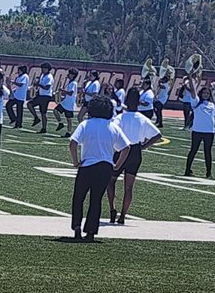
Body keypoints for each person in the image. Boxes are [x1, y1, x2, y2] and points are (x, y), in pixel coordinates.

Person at [68, 96, 131, 242]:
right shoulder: (113, 126)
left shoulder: (86, 124)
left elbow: (72, 143)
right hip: (105, 166)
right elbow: (126, 147)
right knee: (96, 200)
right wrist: (117, 165)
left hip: (87, 166)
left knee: (78, 198)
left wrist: (76, 162)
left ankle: (77, 228)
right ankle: (91, 232)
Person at [107, 87, 162, 224]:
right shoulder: (142, 118)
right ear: (138, 102)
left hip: (122, 150)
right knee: (128, 187)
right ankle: (123, 216)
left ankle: (112, 209)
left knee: (110, 181)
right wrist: (144, 146)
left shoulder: (120, 117)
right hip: (135, 151)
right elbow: (157, 135)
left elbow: (112, 130)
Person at [184, 83, 215, 177]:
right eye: (204, 93)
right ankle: (187, 170)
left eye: (207, 93)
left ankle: (209, 172)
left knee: (208, 152)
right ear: (201, 94)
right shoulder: (196, 103)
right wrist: (190, 77)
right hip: (197, 131)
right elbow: (192, 91)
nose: (206, 95)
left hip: (209, 132)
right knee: (193, 150)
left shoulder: (212, 105)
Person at [35, 62, 55, 132]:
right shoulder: (43, 75)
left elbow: (47, 87)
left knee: (43, 112)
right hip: (41, 95)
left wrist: (38, 85)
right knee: (30, 104)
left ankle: (44, 128)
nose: (42, 70)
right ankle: (36, 118)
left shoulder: (49, 77)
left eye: (44, 68)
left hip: (46, 96)